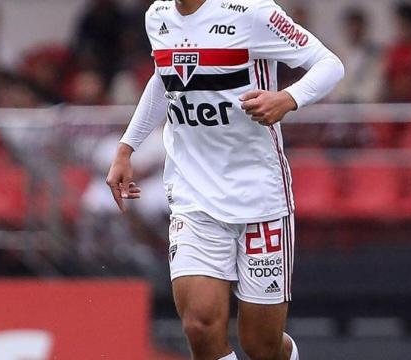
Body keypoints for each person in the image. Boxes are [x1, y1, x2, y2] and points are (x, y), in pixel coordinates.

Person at [106, 1, 344, 359]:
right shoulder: (157, 17)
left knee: (260, 344)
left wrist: (287, 98)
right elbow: (163, 78)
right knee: (199, 326)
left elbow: (329, 64)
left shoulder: (251, 12)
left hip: (259, 199)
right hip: (193, 196)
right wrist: (127, 147)